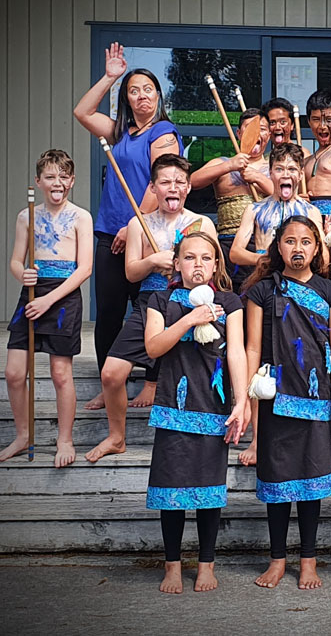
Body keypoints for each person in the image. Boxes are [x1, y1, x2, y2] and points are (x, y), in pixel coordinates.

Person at [84, 155, 217, 462]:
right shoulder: (138, 223)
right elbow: (131, 273)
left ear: (188, 187)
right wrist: (152, 262)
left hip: (189, 303)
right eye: (166, 182)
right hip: (149, 302)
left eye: (180, 182)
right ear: (153, 188)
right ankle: (117, 438)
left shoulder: (201, 223)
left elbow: (210, 267)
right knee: (111, 374)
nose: (174, 187)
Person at [72, 42, 183, 404]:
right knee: (108, 312)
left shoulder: (162, 130)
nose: (141, 96)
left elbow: (163, 179)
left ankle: (152, 383)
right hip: (108, 231)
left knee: (153, 308)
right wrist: (110, 77)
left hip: (146, 234)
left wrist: (133, 225)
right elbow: (82, 111)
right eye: (133, 91)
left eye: (147, 89)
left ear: (158, 95)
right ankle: (110, 386)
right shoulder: (121, 132)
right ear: (127, 99)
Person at [243, 216, 331, 590]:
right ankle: (276, 560)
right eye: (290, 241)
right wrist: (248, 396)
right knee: (277, 481)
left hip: (315, 397)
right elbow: (253, 347)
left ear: (318, 247)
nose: (298, 248)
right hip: (274, 398)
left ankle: (308, 561)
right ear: (278, 247)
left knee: (310, 483)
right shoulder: (261, 291)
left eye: (306, 241)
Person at [143, 231, 249, 594]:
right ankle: (172, 566)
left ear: (217, 264)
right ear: (176, 264)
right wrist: (189, 320)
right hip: (173, 406)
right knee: (171, 490)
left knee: (208, 491)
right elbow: (154, 348)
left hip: (212, 407)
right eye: (189, 258)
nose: (198, 265)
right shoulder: (160, 300)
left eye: (206, 258)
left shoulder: (230, 302)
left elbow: (236, 351)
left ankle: (206, 564)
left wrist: (241, 402)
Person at [1, 150, 93, 468]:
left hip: (63, 297)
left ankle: (64, 439)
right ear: (39, 182)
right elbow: (16, 260)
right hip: (32, 293)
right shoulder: (26, 216)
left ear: (72, 181)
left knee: (60, 373)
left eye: (64, 177)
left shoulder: (81, 217)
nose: (58, 183)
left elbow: (84, 269)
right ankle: (23, 434)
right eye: (51, 177)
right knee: (14, 373)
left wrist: (49, 300)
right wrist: (20, 273)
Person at [190, 108, 274, 292]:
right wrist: (229, 166)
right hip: (228, 243)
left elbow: (286, 196)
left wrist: (259, 178)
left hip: (264, 242)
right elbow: (192, 182)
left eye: (262, 128)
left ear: (269, 134)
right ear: (239, 133)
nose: (256, 134)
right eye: (249, 128)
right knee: (229, 297)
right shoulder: (222, 162)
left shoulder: (275, 166)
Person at [230, 142, 324, 271]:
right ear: (270, 173)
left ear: (301, 174)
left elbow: (324, 259)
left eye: (292, 169)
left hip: (299, 276)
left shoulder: (311, 212)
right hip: (265, 276)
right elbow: (235, 253)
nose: (285, 174)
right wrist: (265, 259)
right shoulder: (254, 209)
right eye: (279, 169)